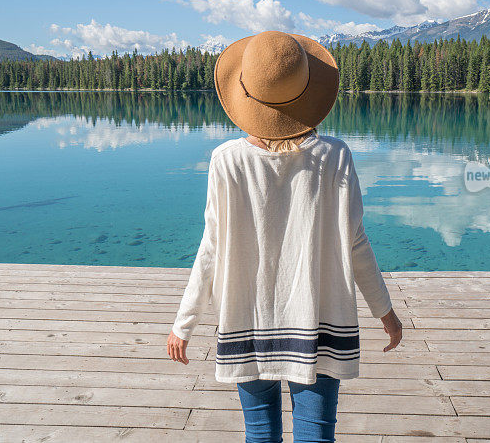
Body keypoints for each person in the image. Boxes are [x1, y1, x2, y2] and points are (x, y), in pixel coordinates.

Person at [167, 30, 403, 442]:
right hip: (318, 322)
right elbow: (356, 244)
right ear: (308, 92)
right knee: (316, 434)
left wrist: (183, 324)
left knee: (260, 433)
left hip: (248, 322)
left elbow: (211, 249)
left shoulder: (227, 161)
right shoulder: (335, 157)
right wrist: (385, 312)